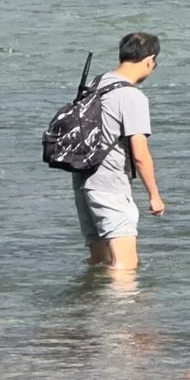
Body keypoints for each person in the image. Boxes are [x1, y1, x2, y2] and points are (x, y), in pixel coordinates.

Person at [75, 32, 165, 274]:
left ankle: (90, 310)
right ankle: (119, 313)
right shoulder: (132, 96)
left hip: (84, 183)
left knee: (99, 262)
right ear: (150, 60)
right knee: (125, 267)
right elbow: (140, 155)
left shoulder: (97, 83)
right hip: (111, 186)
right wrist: (154, 195)